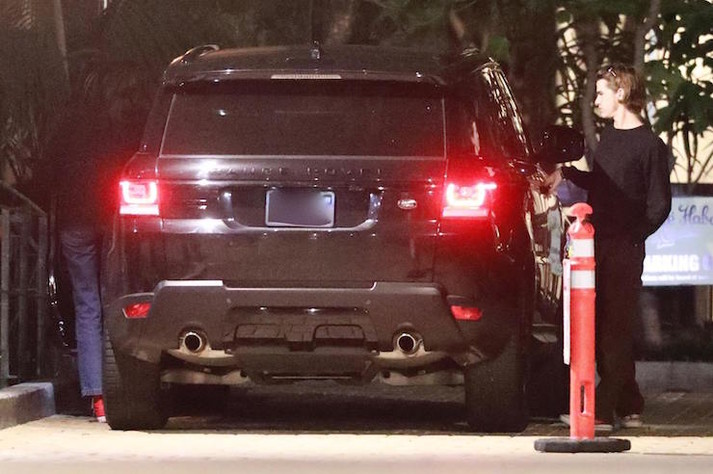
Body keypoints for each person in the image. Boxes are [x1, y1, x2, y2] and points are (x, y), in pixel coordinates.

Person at [545, 63, 671, 431]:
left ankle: (600, 410)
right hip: (596, 244)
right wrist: (566, 174)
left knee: (614, 328)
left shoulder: (650, 146)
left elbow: (660, 204)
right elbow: (601, 184)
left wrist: (634, 237)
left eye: (601, 92)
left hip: (623, 249)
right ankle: (630, 403)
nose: (596, 100)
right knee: (600, 324)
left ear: (621, 93)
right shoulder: (609, 138)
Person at [51, 64, 148, 422]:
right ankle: (120, 385)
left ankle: (97, 397)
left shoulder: (66, 126)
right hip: (111, 219)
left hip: (74, 221)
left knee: (86, 303)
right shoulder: (120, 126)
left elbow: (49, 171)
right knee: (114, 300)